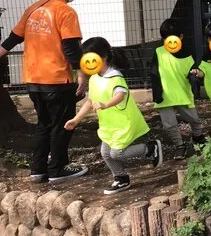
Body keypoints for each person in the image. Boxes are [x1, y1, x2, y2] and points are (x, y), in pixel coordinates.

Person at [0, 0, 88, 183]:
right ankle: (57, 170)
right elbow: (71, 48)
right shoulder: (65, 12)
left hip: (33, 80)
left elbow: (13, 38)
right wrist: (82, 75)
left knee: (44, 124)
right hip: (57, 80)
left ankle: (38, 169)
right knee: (63, 124)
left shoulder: (33, 9)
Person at [65, 37, 163, 195]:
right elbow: (90, 102)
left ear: (103, 57)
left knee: (117, 153)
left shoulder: (115, 76)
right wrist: (76, 120)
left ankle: (149, 148)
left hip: (123, 123)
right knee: (105, 153)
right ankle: (121, 178)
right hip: (108, 125)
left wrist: (105, 105)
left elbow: (120, 95)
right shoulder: (95, 78)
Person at [150, 19, 204, 159]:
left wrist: (195, 75)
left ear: (181, 37)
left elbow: (192, 72)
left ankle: (198, 137)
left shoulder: (188, 55)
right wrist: (157, 93)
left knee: (194, 120)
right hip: (164, 96)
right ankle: (179, 146)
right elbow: (154, 73)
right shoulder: (159, 52)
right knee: (169, 125)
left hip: (183, 94)